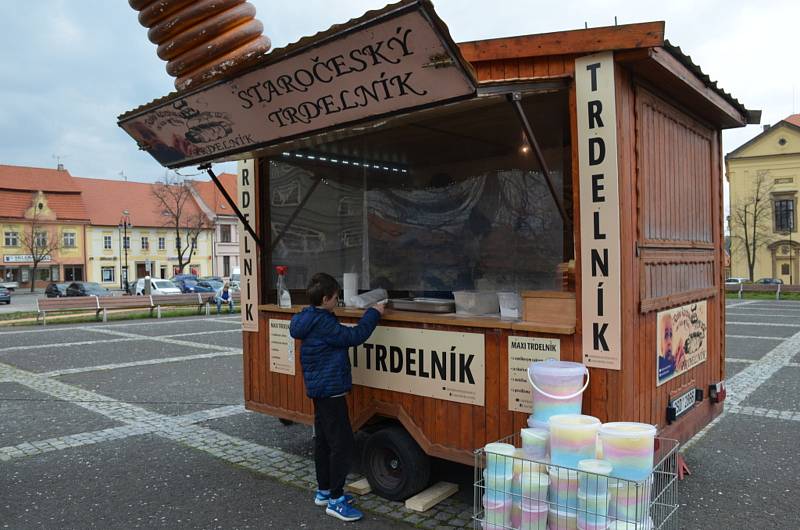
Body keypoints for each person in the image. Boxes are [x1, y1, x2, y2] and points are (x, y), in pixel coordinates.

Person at [290, 273, 385, 522]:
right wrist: (374, 313)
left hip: (319, 390)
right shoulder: (324, 324)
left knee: (323, 441)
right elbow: (354, 337)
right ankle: (336, 500)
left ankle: (324, 491)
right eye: (336, 297)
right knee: (342, 445)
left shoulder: (309, 317)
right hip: (331, 391)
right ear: (326, 299)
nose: (338, 300)